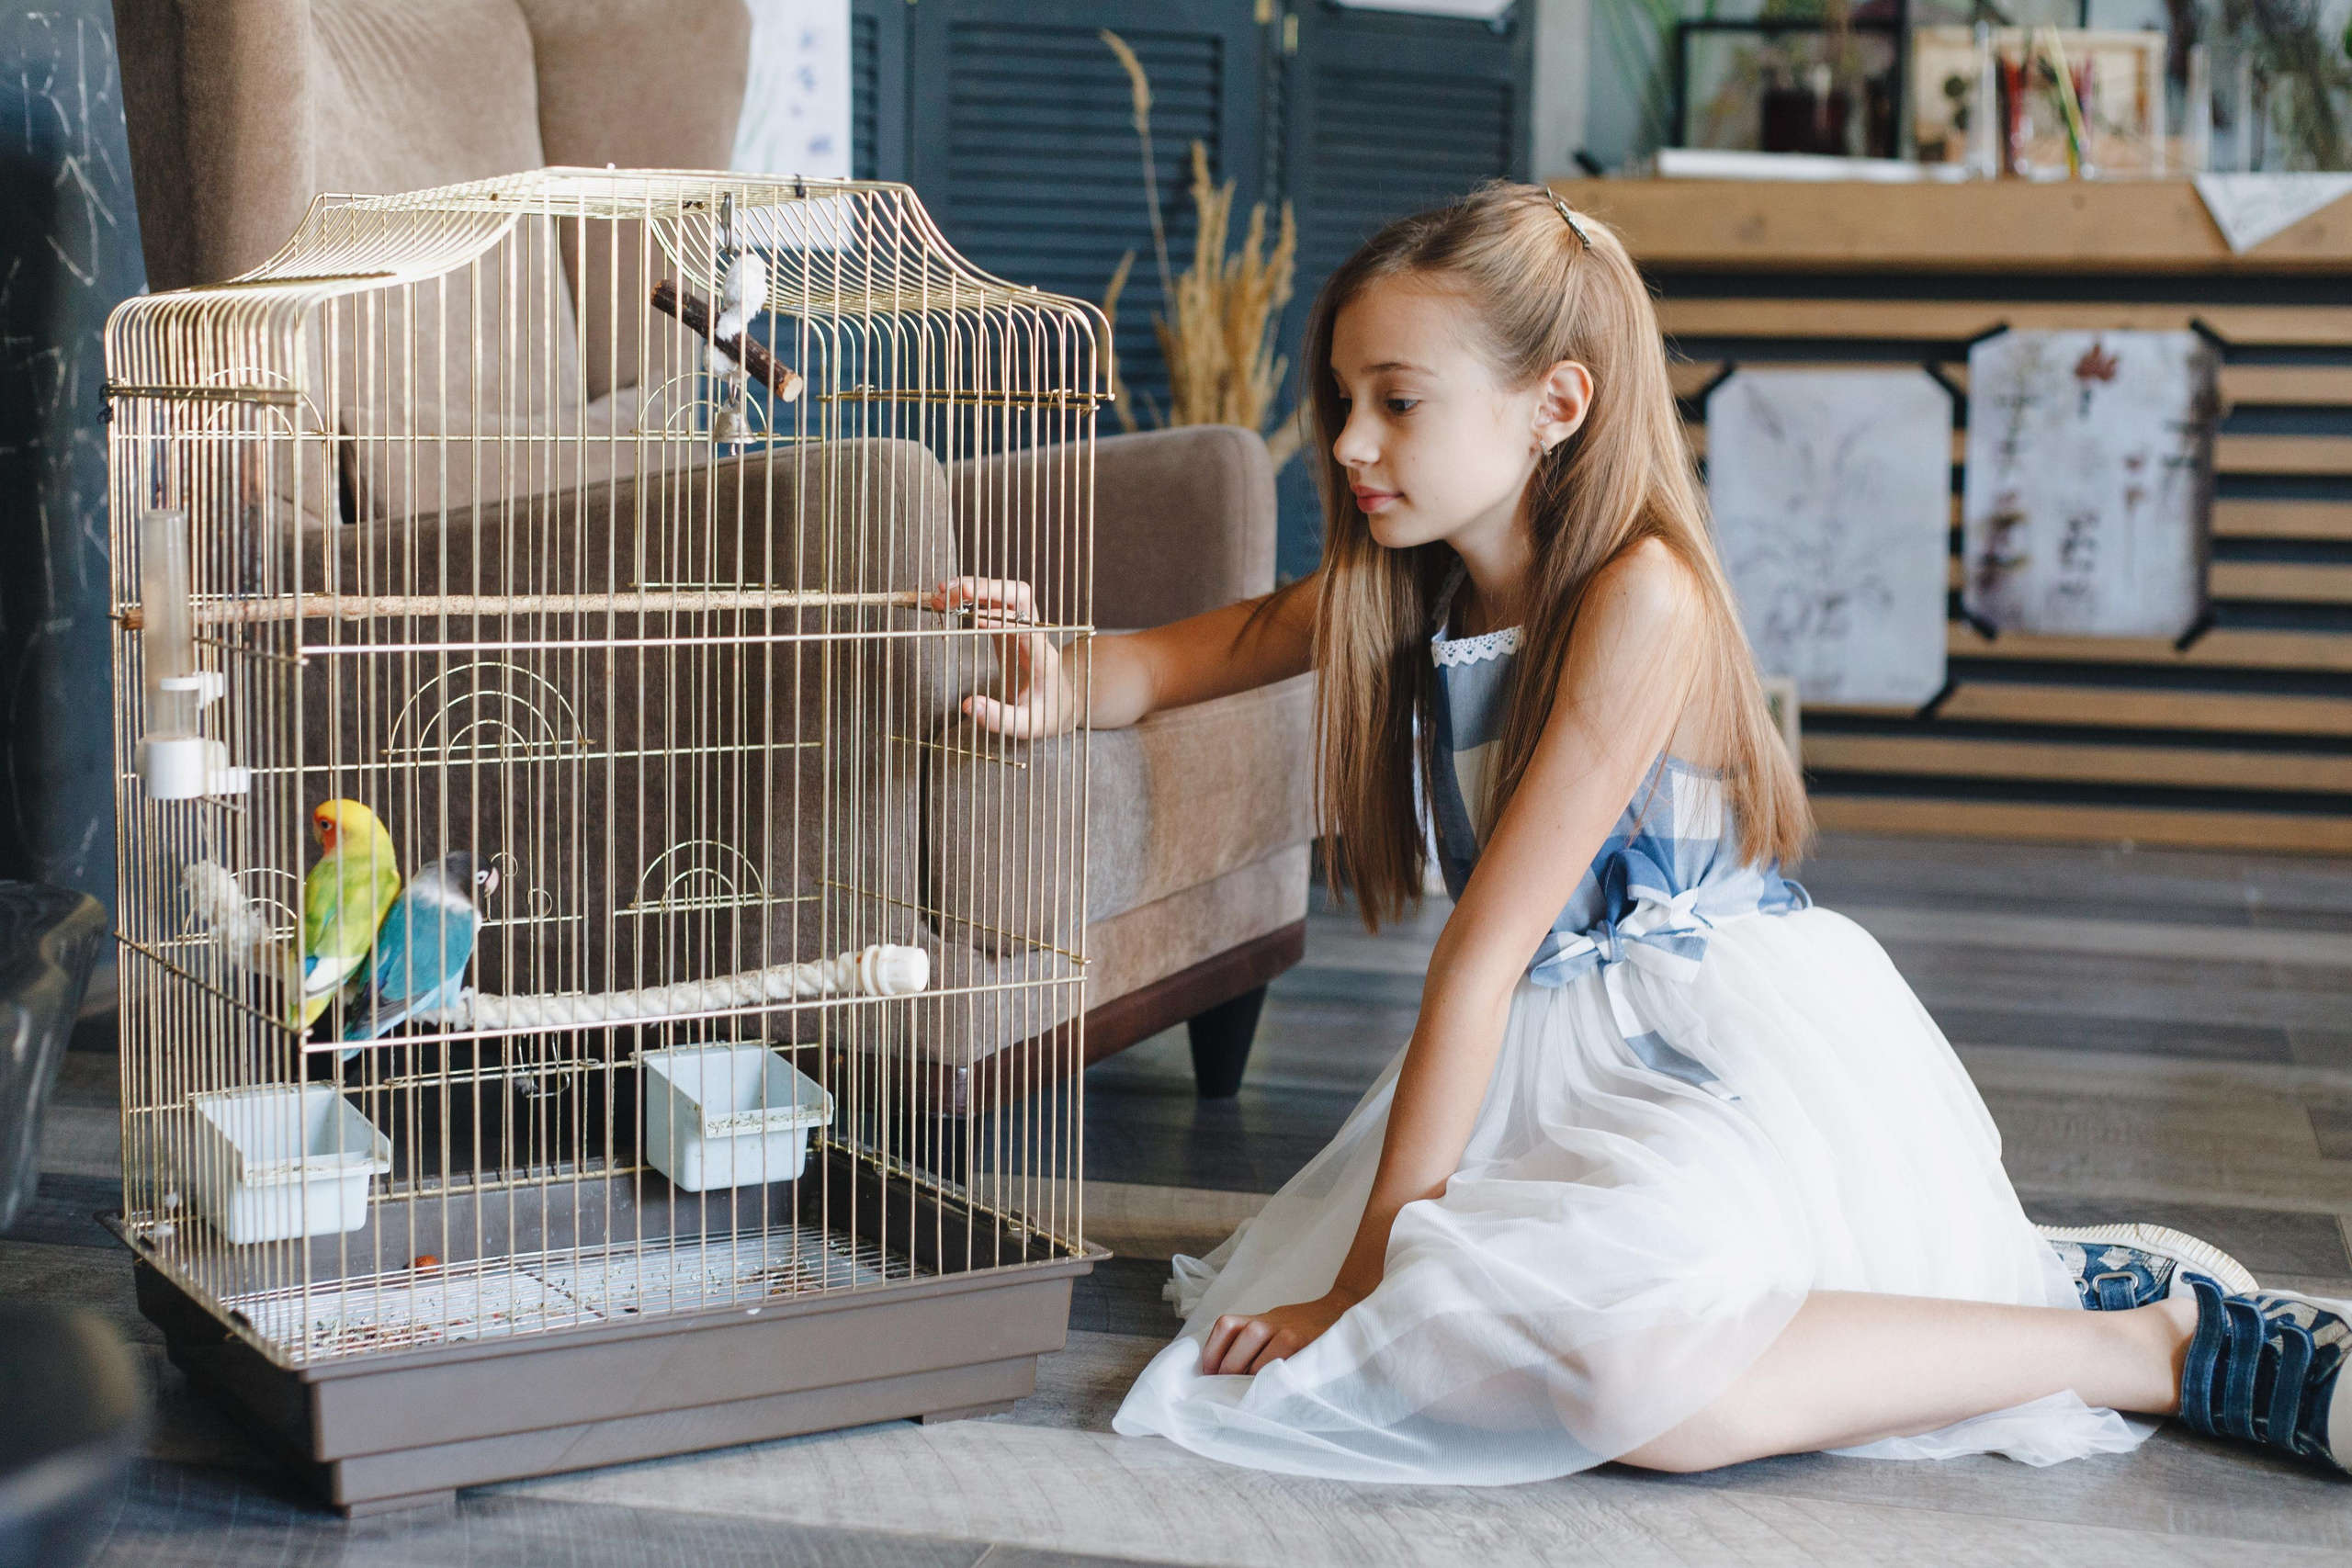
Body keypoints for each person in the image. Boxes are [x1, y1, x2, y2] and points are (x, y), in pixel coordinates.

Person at [927, 182, 2348, 1485]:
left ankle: (2151, 1342)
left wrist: (1360, 1285)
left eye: (1401, 401)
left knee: (1624, 1382)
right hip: (1545, 1062)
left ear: (1556, 403)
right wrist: (1053, 678)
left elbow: (1480, 962)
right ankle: (2030, 1290)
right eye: (1346, 397)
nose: (1352, 441)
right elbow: (1178, 660)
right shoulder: (1410, 583)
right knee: (1459, 1364)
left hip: (1706, 1053)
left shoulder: (1640, 599)